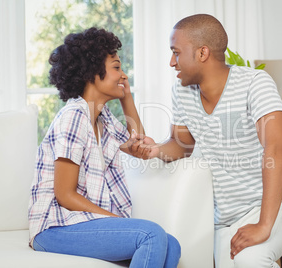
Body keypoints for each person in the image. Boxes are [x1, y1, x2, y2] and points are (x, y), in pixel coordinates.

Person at [130, 14, 282, 268]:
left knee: (250, 260)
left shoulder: (255, 83)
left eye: (176, 53)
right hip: (220, 219)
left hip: (266, 207)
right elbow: (181, 145)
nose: (171, 62)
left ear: (202, 53)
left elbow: (275, 150)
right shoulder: (182, 91)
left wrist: (264, 225)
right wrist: (154, 150)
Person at [28, 27, 181, 267]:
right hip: (56, 226)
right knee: (150, 234)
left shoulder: (103, 118)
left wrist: (126, 97)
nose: (124, 75)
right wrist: (115, 220)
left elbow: (138, 141)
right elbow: (64, 194)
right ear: (92, 73)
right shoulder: (73, 116)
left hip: (83, 221)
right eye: (117, 67)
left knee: (172, 244)